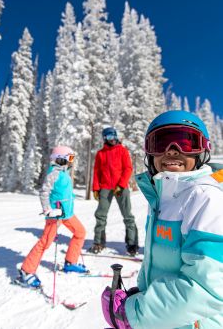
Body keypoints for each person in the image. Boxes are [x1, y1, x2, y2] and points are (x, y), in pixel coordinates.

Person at [101, 110, 223, 328]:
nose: (172, 151)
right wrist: (144, 294)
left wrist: (132, 313)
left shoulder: (206, 198)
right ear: (150, 152)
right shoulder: (163, 198)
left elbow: (210, 289)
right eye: (161, 143)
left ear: (203, 150)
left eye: (186, 143)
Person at [19, 145, 88, 288]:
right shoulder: (54, 174)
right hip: (55, 215)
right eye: (69, 158)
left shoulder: (64, 173)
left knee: (80, 232)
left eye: (72, 158)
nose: (71, 161)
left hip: (67, 214)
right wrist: (48, 210)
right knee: (45, 242)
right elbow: (44, 192)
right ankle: (26, 271)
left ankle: (70, 262)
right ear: (60, 159)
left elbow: (65, 193)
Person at [88, 127, 139, 256]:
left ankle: (132, 244)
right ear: (104, 139)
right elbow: (97, 172)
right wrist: (96, 188)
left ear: (116, 136)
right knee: (100, 215)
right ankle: (98, 242)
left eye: (112, 136)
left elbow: (128, 168)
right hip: (105, 187)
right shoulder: (101, 153)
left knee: (128, 216)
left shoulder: (122, 151)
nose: (110, 139)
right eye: (107, 137)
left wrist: (121, 185)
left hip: (120, 188)